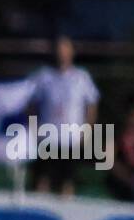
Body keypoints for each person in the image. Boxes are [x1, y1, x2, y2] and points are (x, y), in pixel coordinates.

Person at [29, 35, 99, 196]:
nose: (62, 52)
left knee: (67, 183)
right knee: (43, 181)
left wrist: (87, 130)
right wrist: (34, 129)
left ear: (72, 52)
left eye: (65, 48)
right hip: (47, 137)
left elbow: (92, 105)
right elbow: (32, 105)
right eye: (59, 48)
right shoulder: (43, 76)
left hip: (71, 138)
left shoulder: (81, 77)